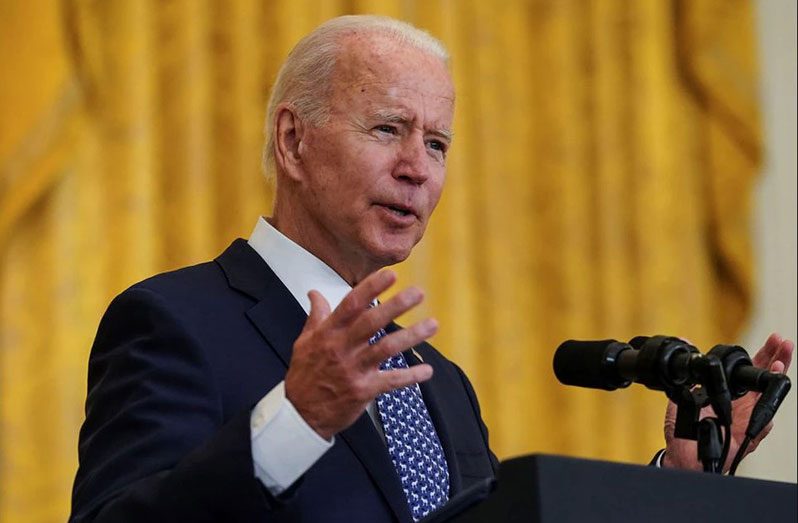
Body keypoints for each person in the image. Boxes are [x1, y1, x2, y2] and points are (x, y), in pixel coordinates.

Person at [70, 14, 794, 523]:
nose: (417, 168)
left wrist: (681, 487)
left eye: (439, 143)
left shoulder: (439, 383)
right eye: (388, 129)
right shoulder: (176, 321)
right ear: (293, 143)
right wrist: (296, 420)